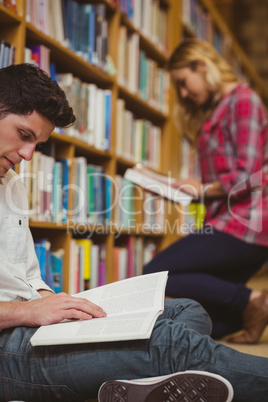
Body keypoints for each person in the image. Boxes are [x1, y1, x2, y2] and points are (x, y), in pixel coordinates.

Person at [0, 63, 268, 402]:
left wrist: (50, 300)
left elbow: (25, 274)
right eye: (25, 136)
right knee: (170, 344)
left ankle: (129, 384)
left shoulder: (10, 182)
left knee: (187, 310)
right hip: (10, 347)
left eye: (36, 143)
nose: (27, 155)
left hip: (35, 326)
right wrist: (26, 312)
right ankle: (144, 370)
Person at [144, 37, 268, 343]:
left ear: (202, 66)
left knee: (155, 271)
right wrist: (183, 188)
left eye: (184, 82)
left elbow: (249, 175)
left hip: (247, 222)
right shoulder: (218, 110)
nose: (184, 93)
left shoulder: (243, 100)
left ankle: (254, 300)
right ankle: (247, 306)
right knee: (210, 324)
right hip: (228, 220)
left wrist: (201, 189)